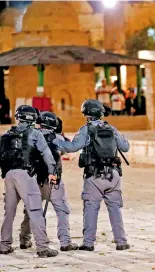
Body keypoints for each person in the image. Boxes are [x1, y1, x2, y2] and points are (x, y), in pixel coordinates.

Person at [52, 99, 130, 251]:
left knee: (90, 209)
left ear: (87, 115)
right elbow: (125, 147)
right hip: (113, 175)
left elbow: (73, 147)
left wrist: (56, 140)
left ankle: (88, 243)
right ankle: (121, 242)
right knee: (115, 209)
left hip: (94, 176)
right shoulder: (111, 128)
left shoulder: (86, 129)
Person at [0, 105, 58, 257]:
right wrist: (52, 172)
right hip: (25, 175)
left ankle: (4, 245)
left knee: (9, 212)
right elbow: (47, 154)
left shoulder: (6, 135)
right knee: (35, 210)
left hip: (8, 176)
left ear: (18, 117)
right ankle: (42, 247)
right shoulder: (35, 133)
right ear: (32, 118)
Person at [19, 112, 78, 252]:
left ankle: (24, 239)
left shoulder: (31, 136)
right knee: (62, 210)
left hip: (34, 180)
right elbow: (71, 148)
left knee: (30, 211)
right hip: (53, 182)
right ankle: (65, 241)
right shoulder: (57, 138)